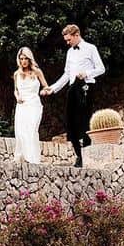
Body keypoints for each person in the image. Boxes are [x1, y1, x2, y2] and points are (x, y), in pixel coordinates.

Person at [41, 24, 105, 167]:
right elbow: (66, 74)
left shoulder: (91, 48)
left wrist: (87, 73)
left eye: (69, 39)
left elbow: (101, 68)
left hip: (86, 86)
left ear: (77, 35)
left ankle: (87, 155)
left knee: (85, 121)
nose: (67, 43)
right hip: (72, 88)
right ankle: (79, 155)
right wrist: (53, 88)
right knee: (70, 122)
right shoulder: (70, 52)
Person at [12, 47, 47, 164]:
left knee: (31, 130)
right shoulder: (17, 74)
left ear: (30, 59)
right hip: (22, 105)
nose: (24, 61)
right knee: (21, 131)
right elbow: (15, 90)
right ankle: (23, 157)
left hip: (34, 104)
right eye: (21, 59)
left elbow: (46, 87)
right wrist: (18, 97)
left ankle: (32, 158)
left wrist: (43, 91)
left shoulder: (37, 72)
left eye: (26, 58)